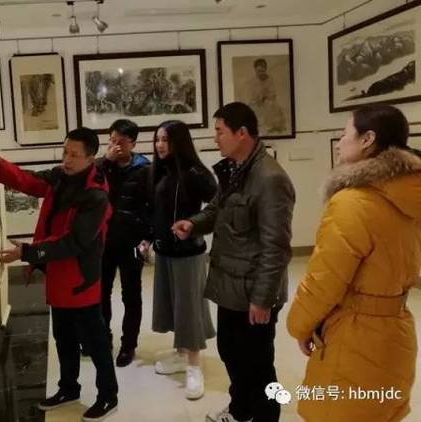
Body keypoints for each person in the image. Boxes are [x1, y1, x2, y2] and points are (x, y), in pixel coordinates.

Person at [0, 127, 118, 422]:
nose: (67, 159)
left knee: (95, 341)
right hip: (57, 272)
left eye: (74, 155)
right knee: (63, 336)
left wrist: (27, 252)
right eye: (65, 152)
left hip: (81, 278)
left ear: (91, 158)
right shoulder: (60, 176)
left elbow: (73, 242)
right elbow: (29, 181)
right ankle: (68, 388)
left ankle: (108, 396)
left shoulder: (96, 195)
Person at [286, 104, 421, 421]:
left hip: (355, 338)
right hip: (397, 330)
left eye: (345, 133)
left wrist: (299, 325)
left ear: (367, 139)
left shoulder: (353, 202)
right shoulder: (409, 195)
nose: (338, 143)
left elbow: (324, 281)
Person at [172, 102, 295, 422]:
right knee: (231, 351)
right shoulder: (234, 169)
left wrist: (263, 299)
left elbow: (276, 247)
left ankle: (267, 415)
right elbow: (216, 210)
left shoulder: (269, 178)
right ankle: (241, 410)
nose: (215, 138)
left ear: (242, 133)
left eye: (219, 131)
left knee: (259, 364)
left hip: (254, 290)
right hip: (231, 285)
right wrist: (193, 224)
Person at [147, 120, 217, 400]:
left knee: (188, 307)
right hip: (164, 251)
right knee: (173, 303)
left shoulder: (197, 173)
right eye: (157, 139)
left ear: (179, 142)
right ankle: (180, 353)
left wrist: (194, 224)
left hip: (189, 253)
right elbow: (154, 211)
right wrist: (149, 238)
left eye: (165, 140)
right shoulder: (159, 171)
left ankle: (194, 366)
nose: (160, 145)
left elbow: (217, 206)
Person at [97, 119, 151, 367]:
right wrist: (106, 161)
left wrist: (148, 238)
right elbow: (88, 184)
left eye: (122, 142)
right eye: (112, 140)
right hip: (104, 240)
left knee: (131, 294)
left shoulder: (144, 168)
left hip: (132, 240)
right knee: (101, 292)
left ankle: (129, 345)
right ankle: (103, 337)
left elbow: (153, 206)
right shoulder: (101, 167)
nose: (116, 146)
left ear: (133, 143)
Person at [242, 58, 286, 135]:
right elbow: (252, 94)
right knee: (251, 108)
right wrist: (257, 98)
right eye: (258, 71)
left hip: (267, 100)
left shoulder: (270, 80)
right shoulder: (254, 81)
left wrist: (266, 96)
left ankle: (273, 125)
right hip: (257, 102)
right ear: (255, 71)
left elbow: (272, 93)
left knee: (272, 106)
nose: (260, 73)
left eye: (262, 71)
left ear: (265, 70)